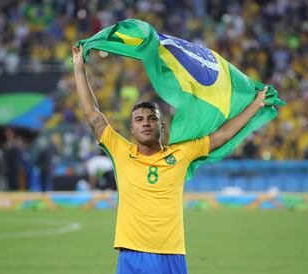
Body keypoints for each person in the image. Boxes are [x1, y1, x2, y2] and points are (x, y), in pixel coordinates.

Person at [72, 45, 268, 274]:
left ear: (162, 126)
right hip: (130, 254)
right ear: (131, 129)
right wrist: (79, 67)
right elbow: (92, 113)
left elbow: (223, 135)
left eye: (151, 118)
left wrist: (255, 105)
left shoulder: (182, 153)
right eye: (139, 119)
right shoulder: (119, 150)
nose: (145, 122)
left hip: (170, 254)